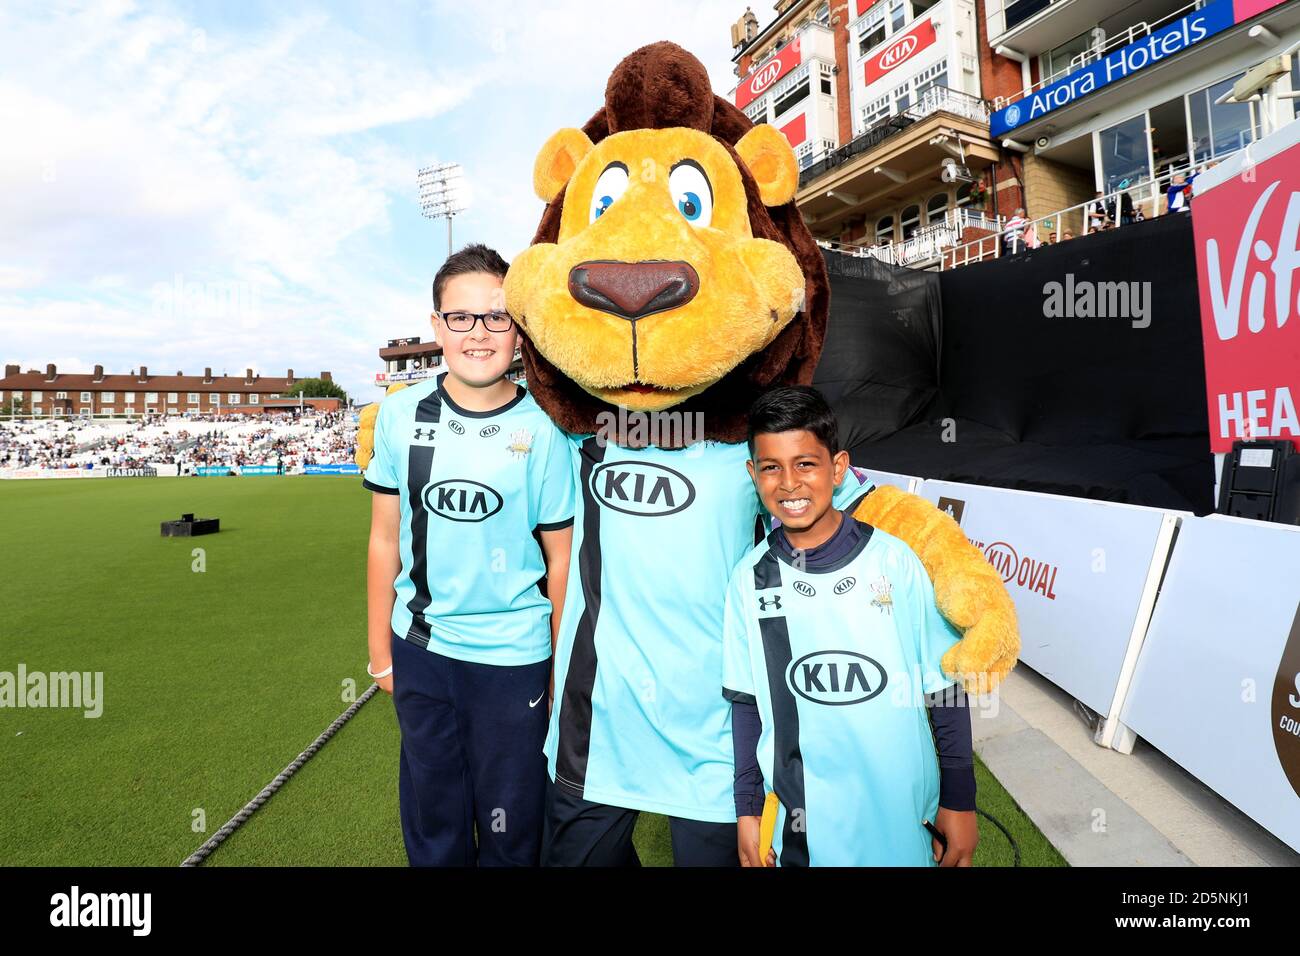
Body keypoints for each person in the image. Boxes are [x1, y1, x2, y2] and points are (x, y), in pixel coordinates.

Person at [363, 243, 575, 866]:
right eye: (461, 317)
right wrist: (380, 656)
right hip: (422, 654)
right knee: (435, 825)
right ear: (437, 327)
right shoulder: (400, 416)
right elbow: (383, 538)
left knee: (513, 833)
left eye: (497, 317)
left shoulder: (544, 428)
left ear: (518, 330)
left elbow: (560, 560)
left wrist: (559, 669)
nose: (478, 334)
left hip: (515, 661)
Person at [724, 386, 978, 867]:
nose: (789, 483)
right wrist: (748, 810)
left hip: (900, 812)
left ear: (838, 468)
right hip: (805, 823)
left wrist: (959, 797)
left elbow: (944, 686)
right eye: (771, 467)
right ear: (752, 474)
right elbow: (746, 704)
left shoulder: (897, 562)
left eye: (806, 464)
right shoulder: (749, 580)